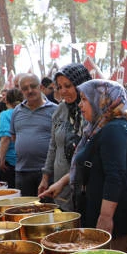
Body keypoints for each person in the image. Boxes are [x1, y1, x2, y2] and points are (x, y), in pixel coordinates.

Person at [71, 79, 127, 253]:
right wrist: (59, 184)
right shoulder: (108, 127)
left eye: (85, 99)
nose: (80, 105)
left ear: (102, 100)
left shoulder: (113, 130)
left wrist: (106, 217)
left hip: (111, 215)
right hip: (107, 208)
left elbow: (115, 175)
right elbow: (95, 164)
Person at [39, 63, 91, 210]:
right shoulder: (60, 110)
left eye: (68, 86)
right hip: (60, 184)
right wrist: (45, 177)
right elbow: (53, 145)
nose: (63, 91)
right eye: (59, 87)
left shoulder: (91, 112)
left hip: (83, 184)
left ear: (80, 85)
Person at [0, 73, 56, 196]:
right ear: (21, 91)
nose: (29, 91)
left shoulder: (55, 110)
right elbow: (14, 138)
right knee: (25, 211)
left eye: (33, 86)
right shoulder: (17, 112)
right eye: (25, 88)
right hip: (22, 172)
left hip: (47, 173)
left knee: (48, 211)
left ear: (41, 87)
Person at [0, 88, 23, 188]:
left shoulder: (5, 115)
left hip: (10, 161)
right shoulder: (26, 112)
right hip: (26, 159)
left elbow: (5, 138)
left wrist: (2, 159)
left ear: (6, 100)